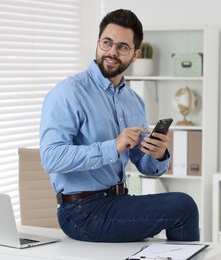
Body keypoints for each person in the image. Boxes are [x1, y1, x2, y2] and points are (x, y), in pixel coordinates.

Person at [39, 9, 199, 242]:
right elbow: (51, 158)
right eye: (107, 43)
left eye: (122, 47)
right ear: (98, 43)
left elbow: (145, 167)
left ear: (135, 55)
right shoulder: (69, 92)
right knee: (182, 207)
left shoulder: (133, 101)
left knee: (182, 204)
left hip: (118, 200)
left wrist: (158, 154)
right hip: (80, 211)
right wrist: (113, 146)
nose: (112, 51)